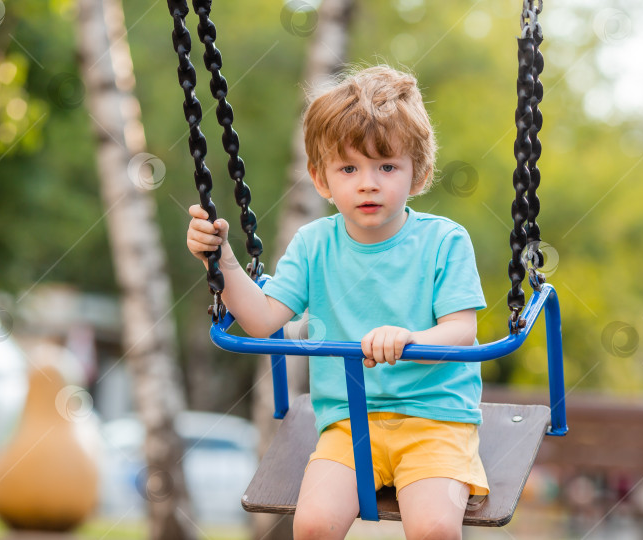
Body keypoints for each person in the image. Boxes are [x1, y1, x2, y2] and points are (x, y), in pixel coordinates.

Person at [187, 65, 488, 540]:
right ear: (321, 179)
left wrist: (409, 337)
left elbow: (461, 329)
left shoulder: (445, 240)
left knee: (434, 528)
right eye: (349, 168)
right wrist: (221, 260)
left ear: (419, 172)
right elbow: (263, 320)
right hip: (349, 424)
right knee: (311, 526)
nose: (368, 183)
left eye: (386, 167)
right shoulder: (313, 244)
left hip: (435, 419)